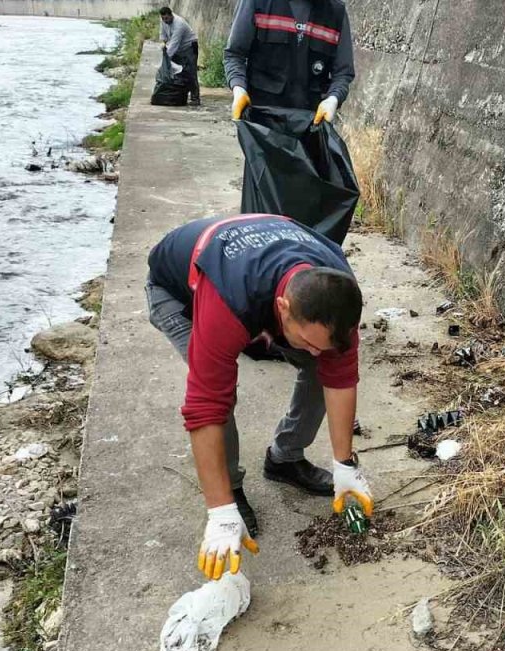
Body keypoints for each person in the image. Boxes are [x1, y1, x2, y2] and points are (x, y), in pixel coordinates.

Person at [145, 213, 375, 580]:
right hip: (177, 291)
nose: (316, 351)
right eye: (309, 343)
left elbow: (341, 376)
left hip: (264, 275)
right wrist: (219, 510)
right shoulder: (230, 297)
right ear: (283, 308)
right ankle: (231, 489)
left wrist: (345, 465)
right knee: (222, 392)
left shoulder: (338, 294)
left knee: (320, 367)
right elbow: (205, 407)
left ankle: (284, 459)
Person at [223, 0, 355, 124]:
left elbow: (343, 73)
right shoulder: (258, 3)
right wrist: (239, 89)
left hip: (311, 124)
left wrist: (333, 99)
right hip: (262, 123)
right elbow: (234, 54)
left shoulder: (336, 12)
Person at [159, 6, 201, 106]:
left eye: (167, 18)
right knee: (177, 72)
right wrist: (164, 46)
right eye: (163, 18)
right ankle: (180, 95)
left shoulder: (179, 24)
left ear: (171, 15)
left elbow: (174, 43)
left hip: (189, 47)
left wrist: (166, 58)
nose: (165, 21)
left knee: (191, 73)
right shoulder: (163, 22)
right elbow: (163, 36)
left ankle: (195, 98)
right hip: (178, 48)